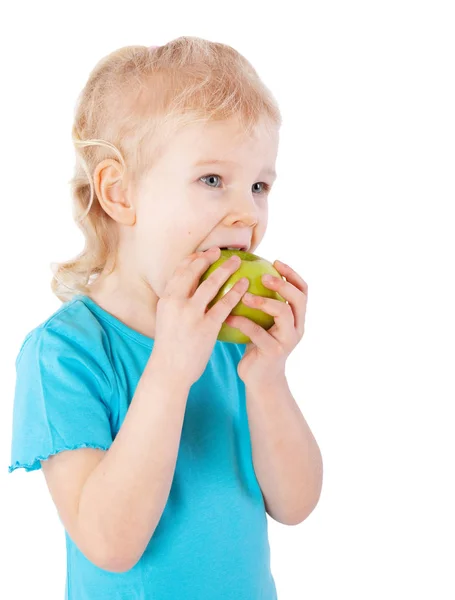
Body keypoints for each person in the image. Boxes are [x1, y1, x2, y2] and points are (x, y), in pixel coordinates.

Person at [9, 36, 320, 599]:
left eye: (259, 186)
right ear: (120, 193)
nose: (247, 212)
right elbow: (109, 542)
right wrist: (171, 371)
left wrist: (267, 380)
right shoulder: (65, 354)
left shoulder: (233, 341)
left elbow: (296, 505)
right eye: (212, 180)